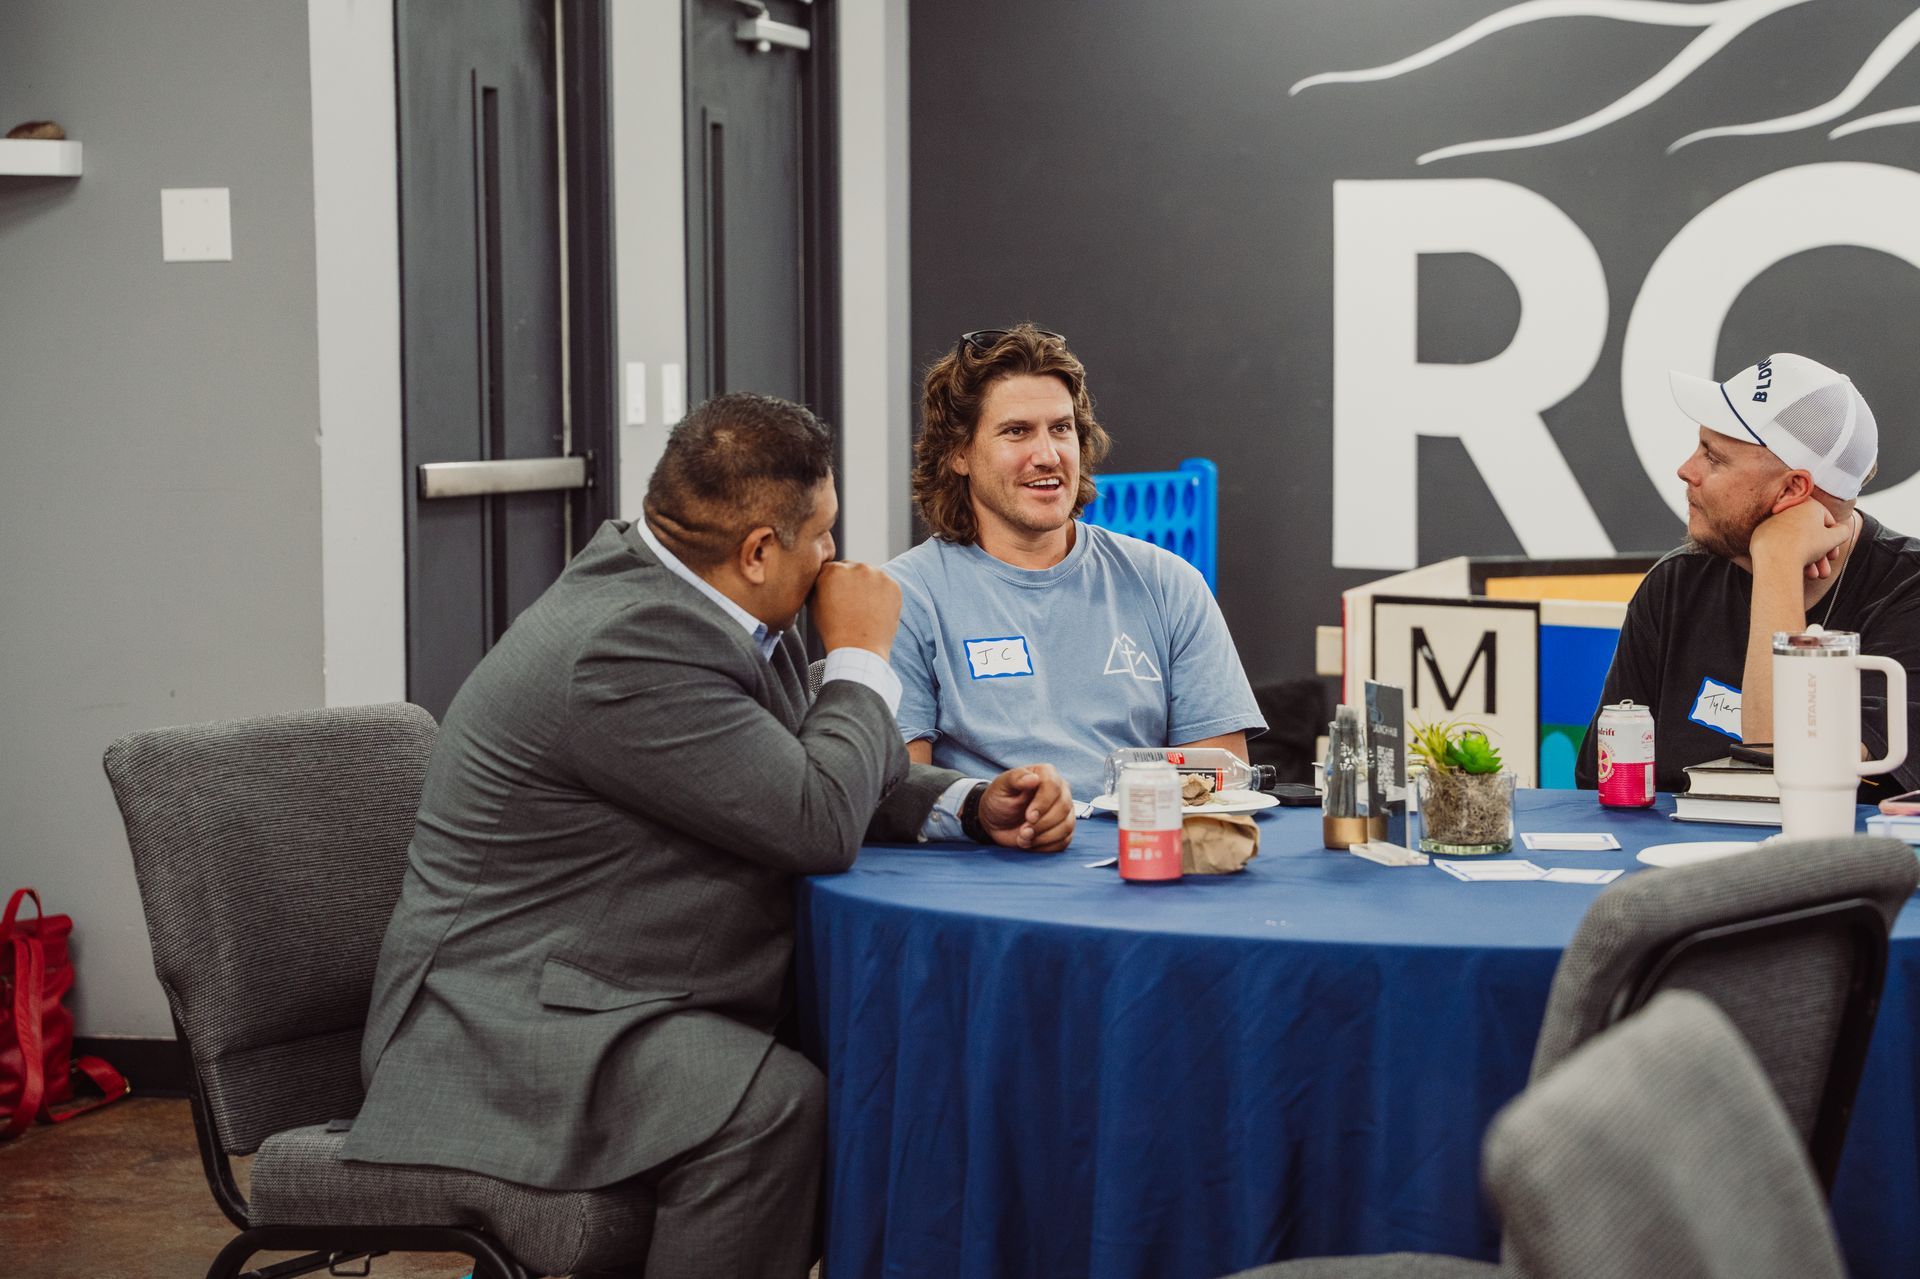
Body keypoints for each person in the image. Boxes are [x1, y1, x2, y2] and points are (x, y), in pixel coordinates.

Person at [342, 393, 1074, 1279]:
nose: (833, 558)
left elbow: (791, 766)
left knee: (879, 1042)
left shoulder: (695, 595)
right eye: (822, 536)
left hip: (608, 975)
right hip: (502, 1021)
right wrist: (861, 657)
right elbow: (814, 820)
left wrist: (965, 802)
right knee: (771, 1104)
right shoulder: (630, 645)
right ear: (760, 549)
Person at [884, 325, 1265, 800]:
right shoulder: (902, 597)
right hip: (991, 862)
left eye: (1061, 429)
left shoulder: (1169, 584)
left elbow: (1220, 784)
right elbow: (902, 799)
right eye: (1017, 431)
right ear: (959, 453)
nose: (1047, 455)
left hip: (1141, 852)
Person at [1576, 353, 1920, 796]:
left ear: (1792, 490)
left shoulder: (1908, 594)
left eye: (1714, 458)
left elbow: (1788, 774)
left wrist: (1776, 563)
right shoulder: (1676, 584)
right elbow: (1599, 783)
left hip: (1827, 865)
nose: (1686, 471)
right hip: (1672, 860)